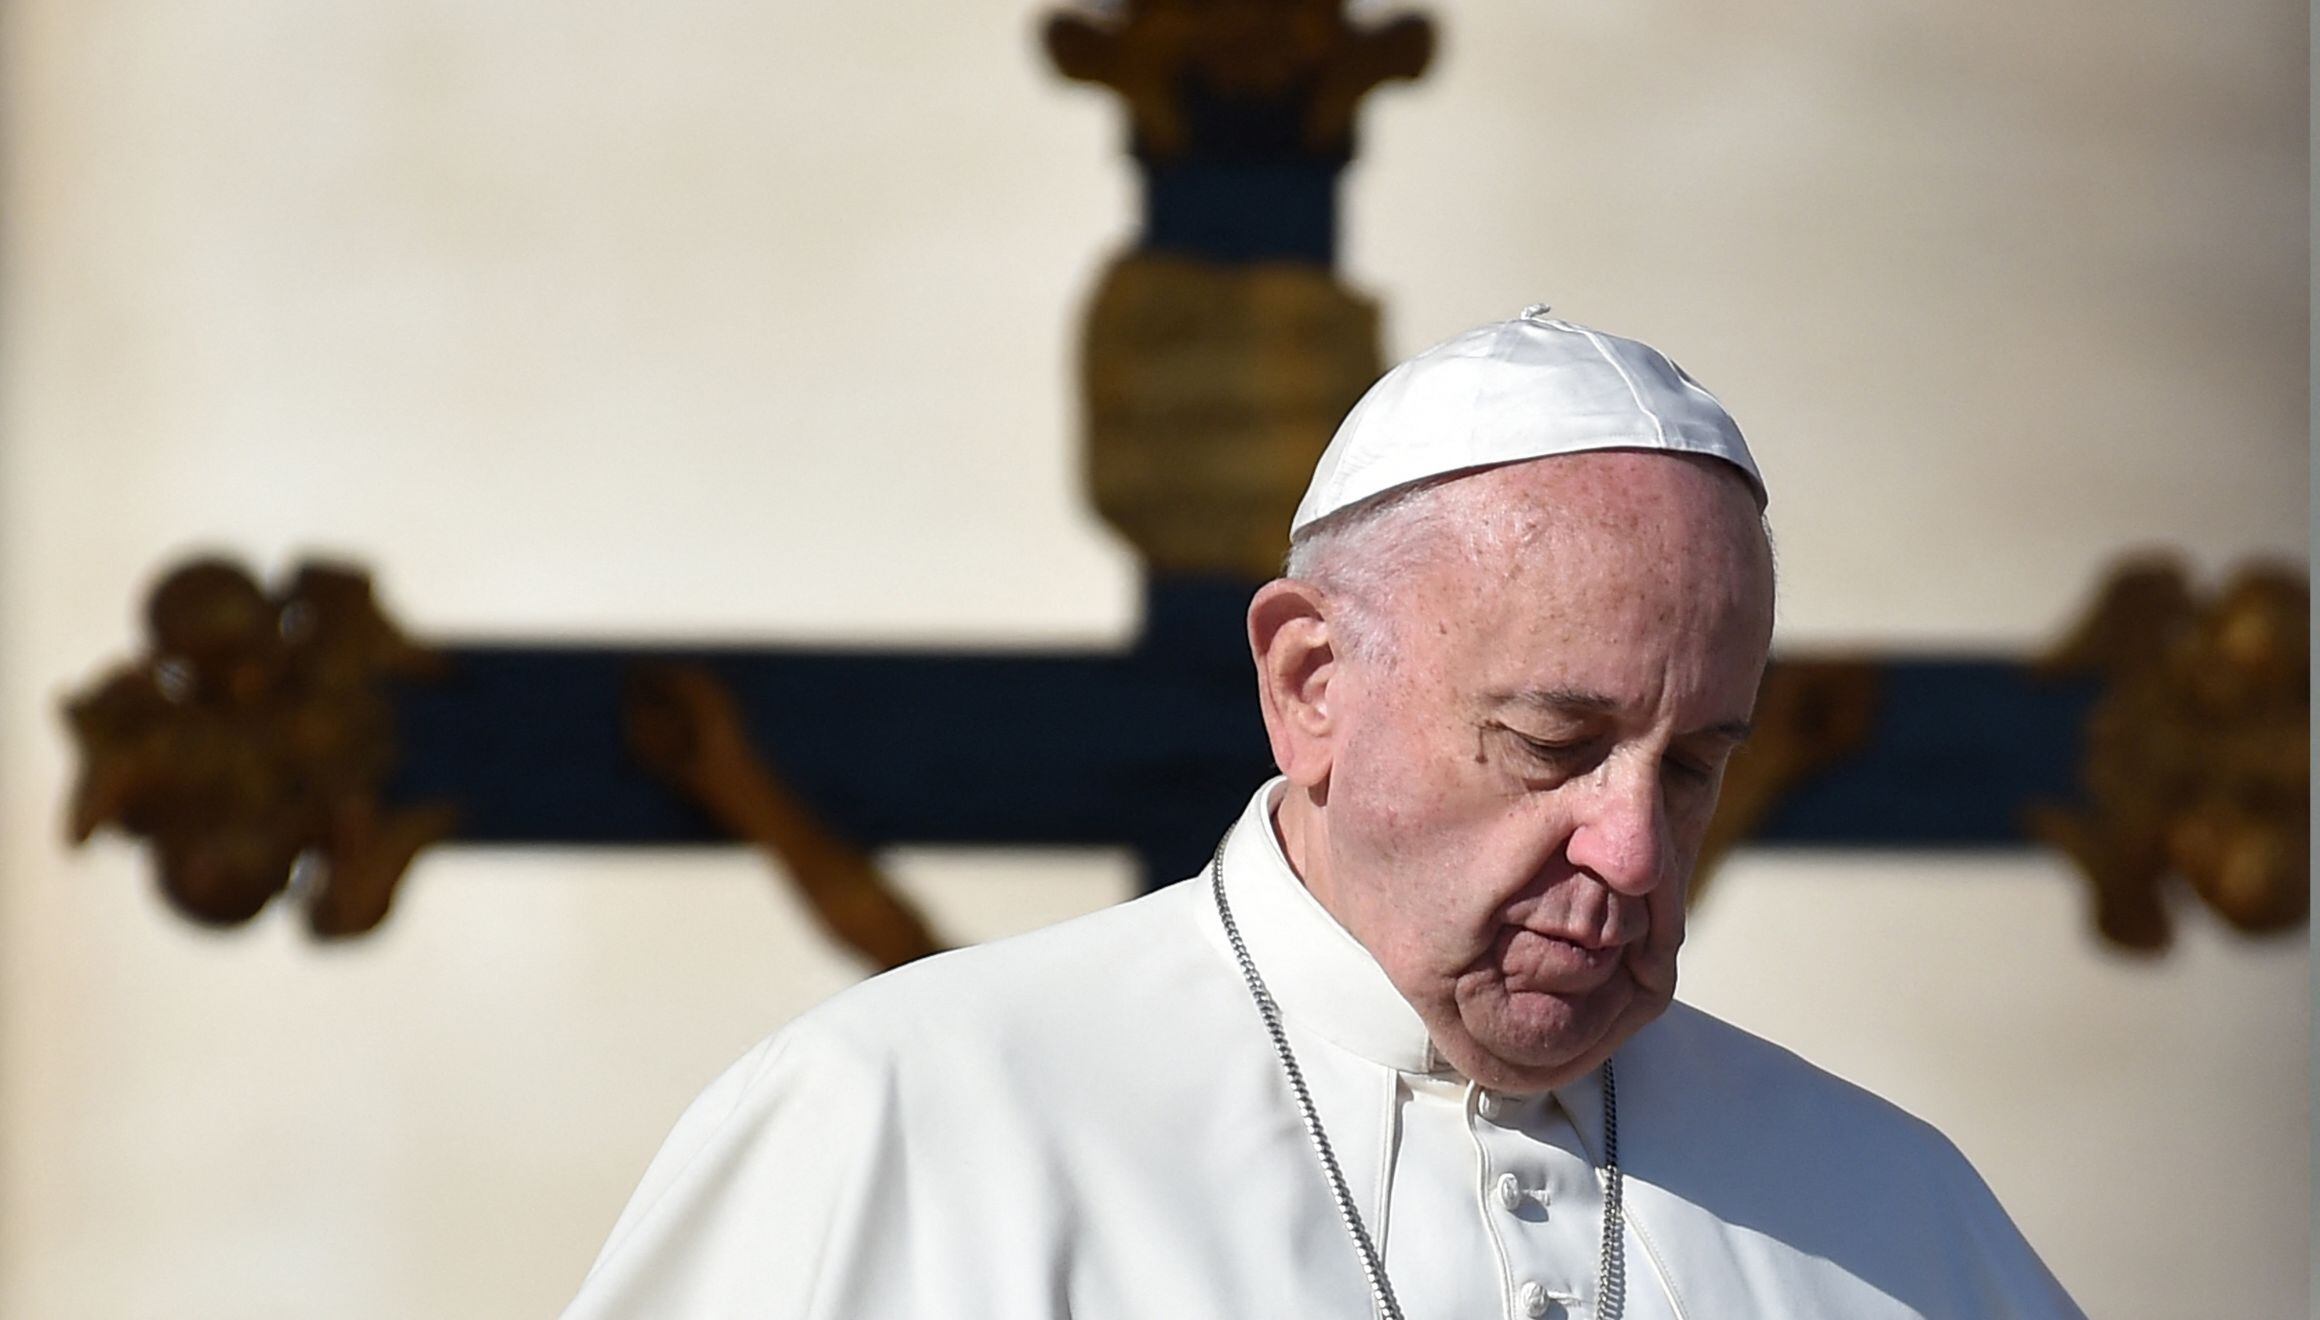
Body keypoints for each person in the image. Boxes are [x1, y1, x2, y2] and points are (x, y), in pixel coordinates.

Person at [562, 309, 2084, 1318]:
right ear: (1309, 683)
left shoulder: (1895, 1220)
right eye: (1555, 742)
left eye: (1694, 768)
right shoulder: (905, 1125)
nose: (1633, 855)